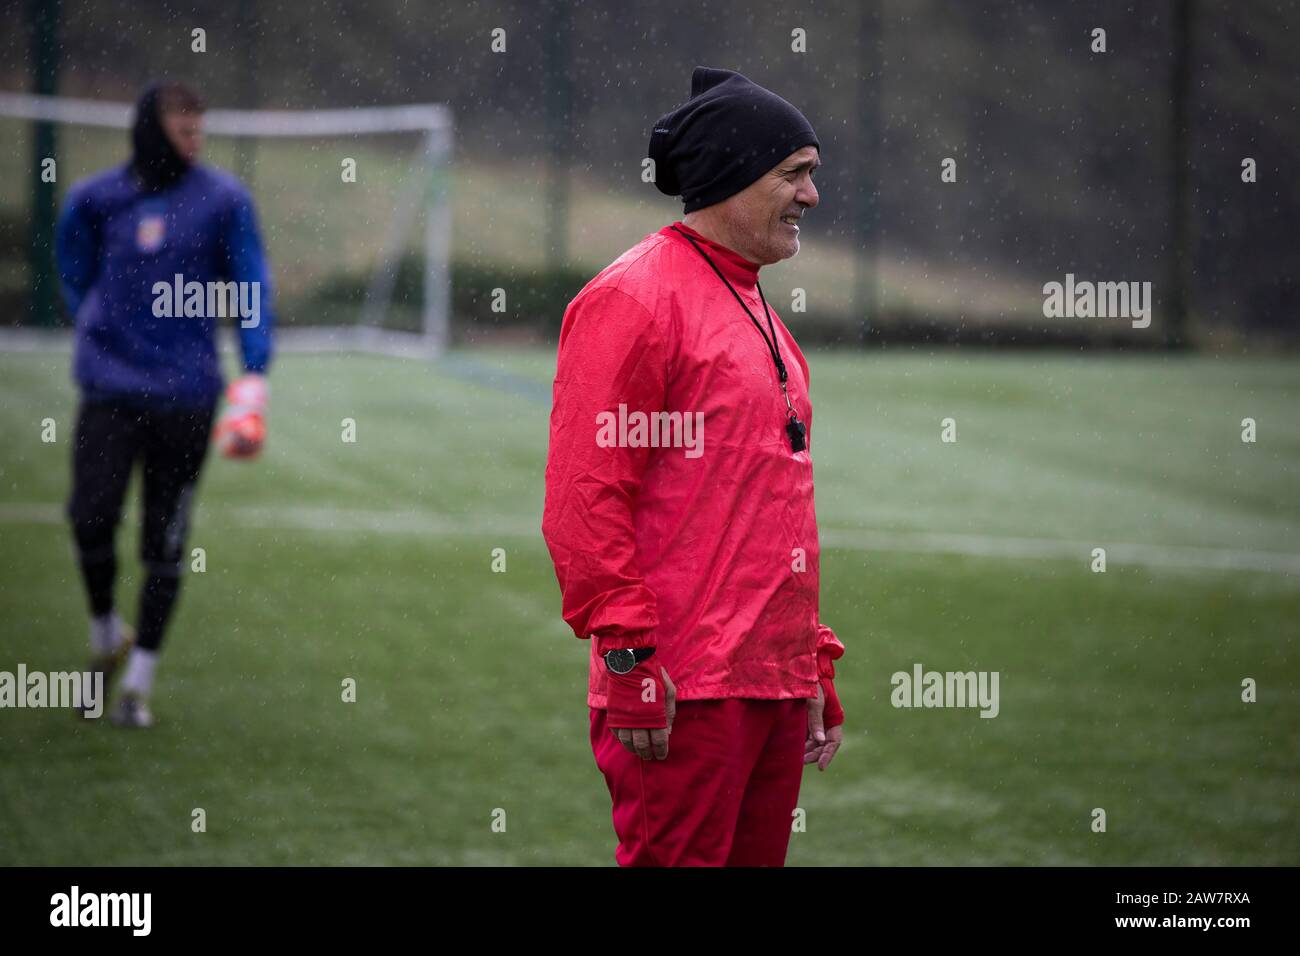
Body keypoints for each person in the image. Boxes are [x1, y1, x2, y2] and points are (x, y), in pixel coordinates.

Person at [542, 66, 844, 866]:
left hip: (765, 683)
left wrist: (805, 656)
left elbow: (771, 504)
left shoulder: (758, 307)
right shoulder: (635, 299)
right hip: (681, 687)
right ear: (731, 178)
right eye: (794, 174)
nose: (812, 196)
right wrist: (629, 658)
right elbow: (585, 498)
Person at [56, 80, 275, 728]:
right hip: (110, 390)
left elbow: (251, 281)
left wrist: (255, 371)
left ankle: (136, 686)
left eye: (200, 132)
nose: (193, 142)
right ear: (151, 128)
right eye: (183, 130)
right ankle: (104, 634)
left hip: (186, 397)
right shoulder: (95, 199)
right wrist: (97, 322)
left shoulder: (223, 200)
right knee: (89, 518)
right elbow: (72, 271)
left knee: (166, 541)